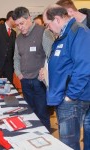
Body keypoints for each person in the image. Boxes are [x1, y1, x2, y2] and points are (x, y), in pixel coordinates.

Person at [41, 4, 90, 150]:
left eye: (47, 24)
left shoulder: (79, 32)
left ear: (56, 19)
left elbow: (84, 67)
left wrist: (70, 95)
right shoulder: (65, 34)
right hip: (66, 96)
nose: (48, 28)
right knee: (67, 142)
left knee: (68, 143)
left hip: (73, 99)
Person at [12, 6, 53, 131]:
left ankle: (46, 140)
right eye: (17, 25)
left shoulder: (43, 32)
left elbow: (50, 55)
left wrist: (45, 72)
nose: (20, 27)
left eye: (22, 23)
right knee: (29, 114)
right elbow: (16, 58)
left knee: (42, 114)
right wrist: (18, 73)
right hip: (25, 81)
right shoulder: (18, 38)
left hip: (39, 82)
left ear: (29, 18)